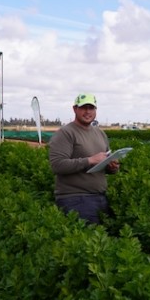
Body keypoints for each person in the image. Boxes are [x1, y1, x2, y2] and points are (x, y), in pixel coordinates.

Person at [49, 93, 119, 224]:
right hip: (76, 199)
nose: (88, 112)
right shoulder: (65, 133)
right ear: (75, 109)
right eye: (83, 108)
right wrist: (90, 160)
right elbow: (57, 165)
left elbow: (103, 161)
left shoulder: (100, 133)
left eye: (91, 108)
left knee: (102, 241)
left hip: (100, 197)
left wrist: (111, 167)